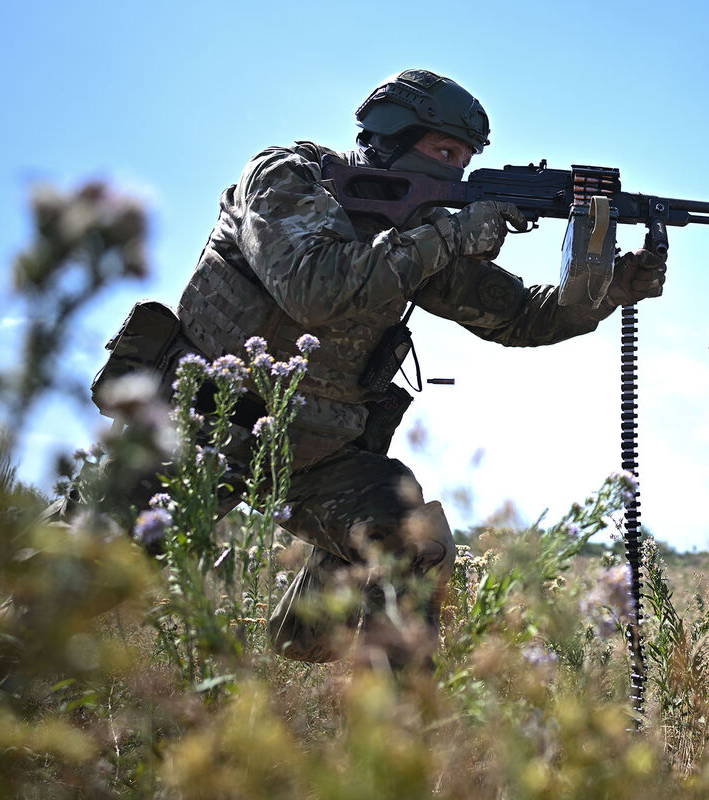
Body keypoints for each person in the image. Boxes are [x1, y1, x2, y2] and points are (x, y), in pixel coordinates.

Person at [124, 69, 666, 670]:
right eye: (443, 152)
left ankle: (390, 734)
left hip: (316, 454)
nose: (454, 171)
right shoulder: (287, 178)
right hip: (200, 427)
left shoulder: (421, 231)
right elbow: (314, 287)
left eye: (463, 160)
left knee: (413, 544)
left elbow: (517, 318)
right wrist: (452, 235)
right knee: (73, 571)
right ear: (390, 138)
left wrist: (609, 289)